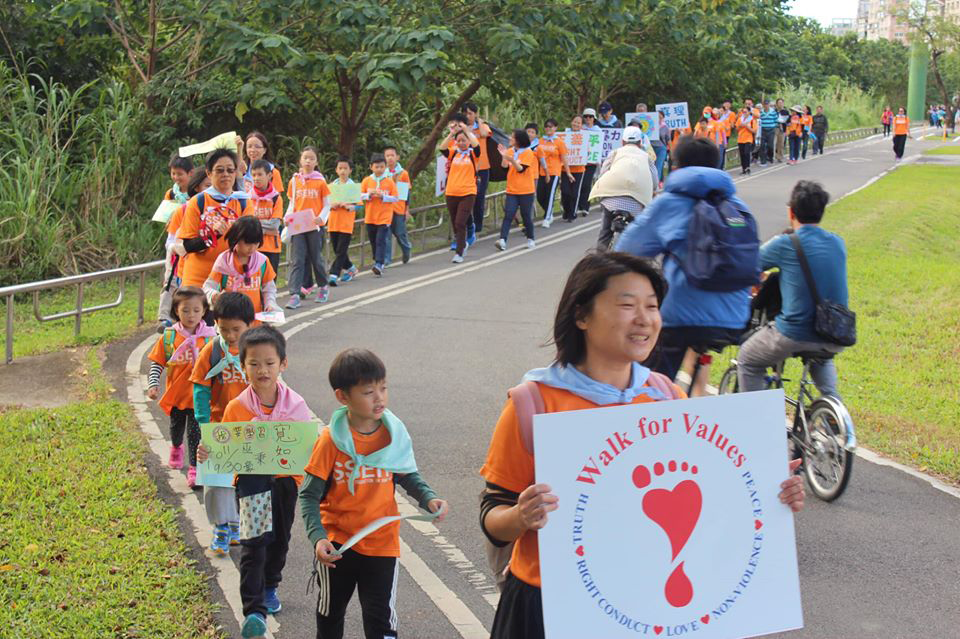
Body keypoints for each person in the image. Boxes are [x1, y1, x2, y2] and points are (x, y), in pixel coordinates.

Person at [479, 252, 806, 639]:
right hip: (548, 609)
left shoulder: (665, 401)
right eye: (626, 305)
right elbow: (493, 519)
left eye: (652, 306)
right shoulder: (534, 404)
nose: (644, 319)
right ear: (581, 316)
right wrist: (521, 516)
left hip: (644, 609)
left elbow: (711, 506)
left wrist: (769, 492)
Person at [300, 348, 448, 639]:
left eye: (383, 388)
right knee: (330, 616)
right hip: (338, 546)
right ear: (343, 397)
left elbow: (406, 473)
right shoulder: (331, 440)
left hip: (382, 544)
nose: (379, 397)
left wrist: (428, 497)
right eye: (369, 391)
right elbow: (308, 495)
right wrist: (318, 538)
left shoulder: (393, 433)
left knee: (381, 621)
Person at [615, 136, 753, 394]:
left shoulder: (668, 204)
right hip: (734, 318)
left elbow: (626, 250)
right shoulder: (736, 206)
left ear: (676, 167)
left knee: (646, 382)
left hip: (679, 318)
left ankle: (652, 419)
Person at [222, 325, 311, 638]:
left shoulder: (296, 406)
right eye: (254, 363)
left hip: (286, 483)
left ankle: (271, 583)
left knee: (279, 539)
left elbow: (307, 447)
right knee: (254, 543)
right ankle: (254, 611)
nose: (262, 370)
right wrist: (212, 449)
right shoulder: (238, 408)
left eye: (270, 363)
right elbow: (226, 446)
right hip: (252, 482)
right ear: (242, 365)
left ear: (283, 365)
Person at [737, 181, 847, 396]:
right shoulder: (837, 243)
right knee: (821, 357)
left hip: (793, 332)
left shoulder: (785, 244)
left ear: (791, 212)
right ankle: (833, 412)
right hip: (833, 332)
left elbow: (748, 267)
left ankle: (756, 424)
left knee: (748, 359)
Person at [190, 292, 255, 555]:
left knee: (246, 480)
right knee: (217, 482)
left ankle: (239, 523)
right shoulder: (212, 351)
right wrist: (205, 424)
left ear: (250, 324)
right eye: (224, 329)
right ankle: (220, 526)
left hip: (251, 428)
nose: (230, 335)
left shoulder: (256, 350)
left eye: (236, 329)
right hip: (218, 425)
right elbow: (200, 388)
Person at [147, 287, 215, 487]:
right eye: (185, 310)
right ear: (176, 310)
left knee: (196, 433)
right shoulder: (169, 338)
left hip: (199, 397)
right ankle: (176, 447)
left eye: (196, 310)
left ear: (204, 311)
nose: (191, 315)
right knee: (176, 429)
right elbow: (157, 362)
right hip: (177, 396)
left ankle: (194, 468)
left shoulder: (211, 338)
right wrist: (153, 385)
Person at [176, 148, 250, 289]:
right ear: (209, 173)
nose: (226, 175)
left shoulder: (243, 201)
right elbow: (187, 246)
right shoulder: (198, 202)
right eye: (220, 170)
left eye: (230, 170)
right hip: (199, 279)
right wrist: (212, 235)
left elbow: (251, 242)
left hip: (231, 278)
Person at [590, 126, 656, 250]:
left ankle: (599, 259)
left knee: (605, 231)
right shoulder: (646, 157)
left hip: (611, 200)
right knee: (638, 231)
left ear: (623, 142)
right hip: (636, 201)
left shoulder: (614, 153)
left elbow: (603, 173)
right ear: (640, 142)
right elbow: (655, 180)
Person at [203, 216, 280, 317]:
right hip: (229, 321)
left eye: (256, 243)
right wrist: (214, 296)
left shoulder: (263, 262)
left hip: (254, 321)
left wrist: (270, 304)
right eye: (247, 243)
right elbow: (208, 287)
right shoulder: (224, 261)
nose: (252, 248)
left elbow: (269, 288)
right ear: (236, 239)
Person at [285, 146, 331, 307]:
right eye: (305, 158)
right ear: (300, 160)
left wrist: (321, 218)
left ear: (316, 161)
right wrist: (287, 217)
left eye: (311, 158)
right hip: (298, 225)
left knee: (315, 258)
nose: (308, 161)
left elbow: (327, 205)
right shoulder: (294, 181)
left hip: (314, 226)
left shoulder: (320, 181)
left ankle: (323, 286)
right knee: (297, 259)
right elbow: (292, 203)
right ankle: (295, 294)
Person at [157, 155, 196, 330]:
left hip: (190, 241)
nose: (176, 178)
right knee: (170, 277)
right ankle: (164, 316)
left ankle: (183, 314)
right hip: (174, 240)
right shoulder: (172, 193)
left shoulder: (197, 194)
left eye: (180, 174)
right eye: (173, 173)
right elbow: (165, 214)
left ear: (190, 173)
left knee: (186, 279)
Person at [440, 120, 481, 263]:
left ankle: (459, 251)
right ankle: (463, 243)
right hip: (451, 192)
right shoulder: (453, 154)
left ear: (468, 141)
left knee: (459, 222)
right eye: (459, 141)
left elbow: (477, 146)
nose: (462, 143)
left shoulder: (473, 154)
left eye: (464, 141)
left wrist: (468, 132)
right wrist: (451, 134)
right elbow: (442, 147)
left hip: (468, 192)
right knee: (455, 222)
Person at [495, 129, 537, 251]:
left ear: (519, 140)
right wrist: (504, 157)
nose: (510, 139)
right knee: (508, 214)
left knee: (525, 215)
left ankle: (531, 239)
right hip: (512, 189)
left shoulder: (528, 153)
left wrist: (511, 159)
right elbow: (503, 169)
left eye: (512, 138)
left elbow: (520, 169)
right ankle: (502, 240)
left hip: (526, 190)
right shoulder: (509, 151)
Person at [360, 153, 399, 276]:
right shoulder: (367, 181)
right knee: (373, 240)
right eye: (377, 167)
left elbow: (395, 198)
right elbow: (359, 195)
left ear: (385, 167)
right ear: (371, 167)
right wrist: (368, 195)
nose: (379, 169)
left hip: (384, 216)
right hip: (371, 216)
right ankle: (377, 259)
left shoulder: (389, 181)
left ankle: (379, 263)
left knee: (380, 240)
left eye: (382, 167)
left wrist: (383, 196)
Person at [462, 102, 492, 242]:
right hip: (465, 167)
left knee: (479, 196)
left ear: (475, 114)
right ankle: (469, 224)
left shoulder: (482, 126)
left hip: (482, 166)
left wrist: (479, 123)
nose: (468, 116)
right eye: (465, 113)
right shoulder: (461, 128)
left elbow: (485, 134)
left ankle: (478, 225)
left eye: (470, 113)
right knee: (468, 197)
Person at [327, 157, 360, 285]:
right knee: (337, 249)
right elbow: (325, 204)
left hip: (346, 224)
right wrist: (332, 205)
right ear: (336, 170)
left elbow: (359, 205)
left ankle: (333, 274)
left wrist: (350, 207)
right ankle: (351, 268)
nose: (343, 171)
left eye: (345, 168)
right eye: (340, 168)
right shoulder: (331, 186)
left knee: (341, 250)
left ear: (350, 170)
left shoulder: (352, 186)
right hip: (333, 222)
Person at [535, 118, 572, 229]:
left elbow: (564, 158)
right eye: (546, 126)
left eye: (551, 126)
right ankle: (549, 212)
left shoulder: (559, 142)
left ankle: (547, 218)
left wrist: (568, 172)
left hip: (554, 172)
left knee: (550, 195)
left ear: (555, 128)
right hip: (541, 172)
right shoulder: (541, 141)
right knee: (540, 195)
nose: (548, 128)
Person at [247, 159, 284, 273]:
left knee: (270, 284)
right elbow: (247, 225)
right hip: (252, 247)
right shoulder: (247, 198)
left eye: (260, 174)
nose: (256, 178)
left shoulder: (276, 198)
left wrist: (255, 226)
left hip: (272, 247)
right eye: (253, 175)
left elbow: (274, 226)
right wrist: (261, 227)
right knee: (254, 283)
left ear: (269, 175)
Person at [382, 146, 412, 266]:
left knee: (400, 233)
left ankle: (406, 249)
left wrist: (407, 209)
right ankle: (386, 259)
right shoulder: (382, 174)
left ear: (397, 157)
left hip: (399, 208)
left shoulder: (403, 173)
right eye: (387, 156)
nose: (390, 158)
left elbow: (406, 193)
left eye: (392, 155)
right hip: (386, 209)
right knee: (386, 235)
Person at [560, 115, 587, 222]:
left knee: (575, 193)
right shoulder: (564, 135)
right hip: (565, 169)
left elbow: (588, 151)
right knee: (565, 191)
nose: (576, 124)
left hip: (578, 169)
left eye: (578, 123)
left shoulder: (584, 137)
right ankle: (566, 210)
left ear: (581, 125)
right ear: (571, 122)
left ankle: (572, 213)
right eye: (574, 122)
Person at [577, 108, 601, 216]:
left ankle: (585, 206)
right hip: (580, 162)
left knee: (587, 184)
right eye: (585, 116)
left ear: (594, 118)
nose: (588, 119)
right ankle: (578, 206)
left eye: (590, 117)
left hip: (591, 162)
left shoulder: (598, 131)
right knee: (579, 184)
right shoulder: (579, 130)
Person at [736, 103, 758, 175]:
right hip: (740, 139)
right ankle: (743, 168)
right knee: (742, 154)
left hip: (748, 139)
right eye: (743, 112)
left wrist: (747, 127)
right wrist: (740, 126)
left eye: (746, 112)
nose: (744, 113)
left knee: (746, 153)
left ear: (749, 112)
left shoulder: (752, 120)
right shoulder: (740, 119)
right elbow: (737, 129)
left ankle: (747, 167)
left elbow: (754, 131)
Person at [651, 110, 671, 183]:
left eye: (660, 117)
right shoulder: (650, 125)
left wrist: (671, 151)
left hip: (661, 148)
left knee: (658, 167)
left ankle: (656, 185)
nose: (658, 118)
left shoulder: (665, 127)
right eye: (657, 117)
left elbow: (668, 139)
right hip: (650, 148)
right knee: (650, 167)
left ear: (663, 118)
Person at [759, 100, 779, 166]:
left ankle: (770, 156)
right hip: (763, 130)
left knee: (770, 145)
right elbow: (759, 121)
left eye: (767, 104)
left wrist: (775, 128)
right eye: (765, 104)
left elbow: (776, 121)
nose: (766, 106)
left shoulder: (773, 112)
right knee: (762, 145)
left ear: (769, 105)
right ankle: (763, 160)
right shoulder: (761, 112)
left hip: (771, 130)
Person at [775, 98, 789, 163]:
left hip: (782, 129)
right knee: (774, 143)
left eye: (781, 102)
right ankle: (773, 156)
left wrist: (787, 130)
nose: (780, 104)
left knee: (781, 143)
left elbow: (787, 122)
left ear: (783, 103)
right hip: (775, 128)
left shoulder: (786, 112)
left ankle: (779, 157)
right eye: (779, 102)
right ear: (776, 104)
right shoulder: (774, 111)